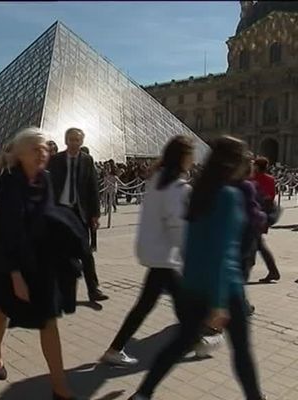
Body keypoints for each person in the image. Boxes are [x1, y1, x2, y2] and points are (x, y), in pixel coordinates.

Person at [129, 136, 265, 400]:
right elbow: (223, 251)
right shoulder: (228, 195)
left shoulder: (200, 191)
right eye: (244, 155)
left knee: (180, 343)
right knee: (241, 351)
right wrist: (218, 302)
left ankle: (143, 393)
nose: (248, 160)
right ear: (232, 161)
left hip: (194, 283)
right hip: (224, 287)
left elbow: (191, 242)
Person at [0, 128, 87, 400]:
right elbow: (10, 229)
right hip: (9, 259)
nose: (42, 153)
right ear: (21, 153)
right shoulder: (10, 181)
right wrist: (15, 275)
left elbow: (47, 217)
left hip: (39, 261)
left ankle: (60, 387)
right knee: (1, 309)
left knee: (49, 320)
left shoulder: (45, 179)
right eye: (36, 149)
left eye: (45, 148)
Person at [101, 136, 194, 366]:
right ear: (183, 157)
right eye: (192, 154)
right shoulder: (177, 187)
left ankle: (115, 349)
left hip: (153, 251)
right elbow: (177, 225)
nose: (194, 158)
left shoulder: (156, 180)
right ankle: (194, 340)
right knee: (178, 303)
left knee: (147, 304)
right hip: (166, 255)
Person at [47, 128, 108, 302]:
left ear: (82, 142)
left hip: (79, 213)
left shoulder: (87, 160)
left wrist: (95, 214)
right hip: (60, 212)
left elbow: (92, 188)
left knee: (86, 253)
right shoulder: (56, 160)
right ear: (66, 141)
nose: (74, 143)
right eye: (71, 139)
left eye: (77, 140)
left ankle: (93, 289)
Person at [251, 156, 280, 283]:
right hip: (262, 215)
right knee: (256, 243)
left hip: (254, 215)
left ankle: (272, 271)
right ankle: (272, 271)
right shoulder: (270, 179)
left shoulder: (252, 179)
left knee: (257, 243)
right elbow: (271, 196)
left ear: (257, 166)